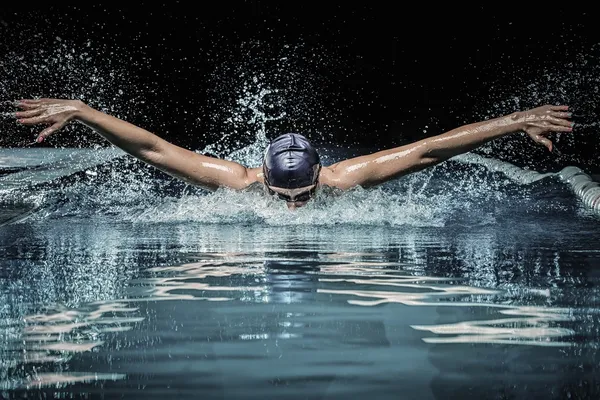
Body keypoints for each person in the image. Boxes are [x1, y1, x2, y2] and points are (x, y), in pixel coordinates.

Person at [13, 98, 574, 209]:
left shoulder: (345, 178)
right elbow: (154, 149)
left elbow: (429, 148)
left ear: (319, 176)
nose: (291, 209)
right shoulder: (235, 181)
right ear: (261, 175)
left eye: (300, 195)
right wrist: (84, 111)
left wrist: (514, 120)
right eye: (280, 196)